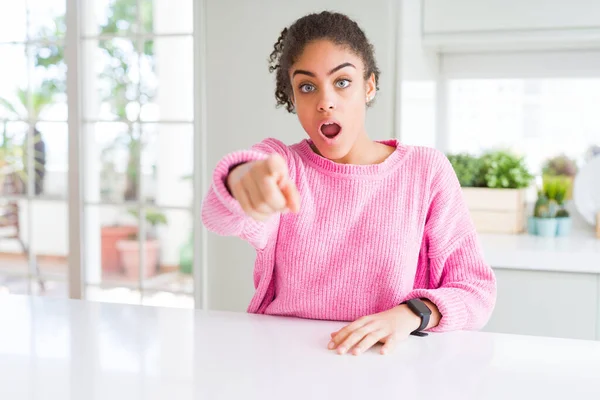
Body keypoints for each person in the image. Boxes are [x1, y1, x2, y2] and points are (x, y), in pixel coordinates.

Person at [202, 11, 496, 356]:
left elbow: (476, 290)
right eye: (307, 87)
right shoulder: (282, 166)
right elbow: (218, 213)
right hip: (284, 362)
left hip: (387, 365)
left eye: (342, 81)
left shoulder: (425, 171)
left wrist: (409, 315)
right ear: (293, 98)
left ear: (368, 86)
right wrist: (241, 178)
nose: (325, 101)